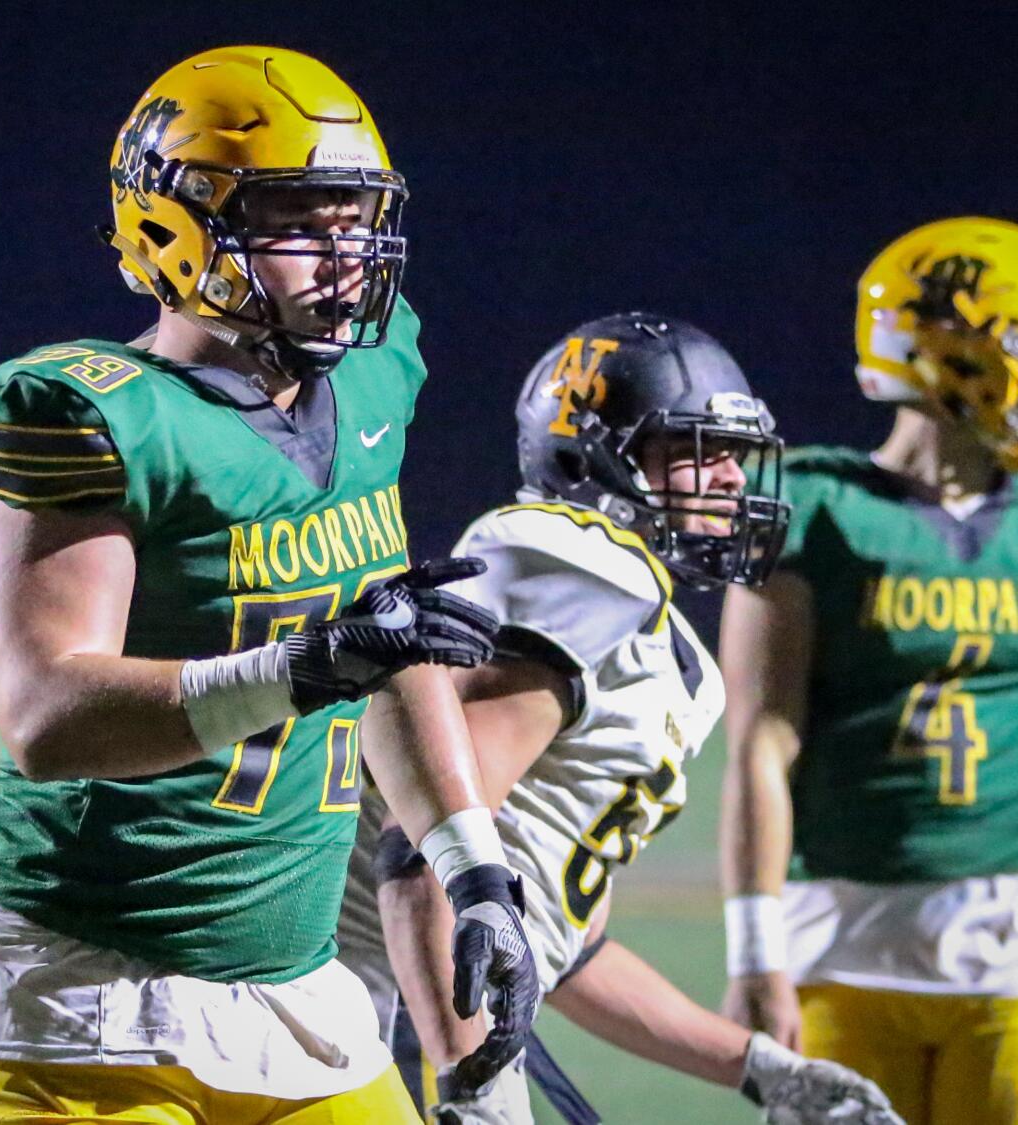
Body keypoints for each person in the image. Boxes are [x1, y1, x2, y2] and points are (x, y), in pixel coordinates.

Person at [0, 46, 539, 1124]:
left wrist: (473, 865)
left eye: (356, 218)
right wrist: (306, 665)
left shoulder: (373, 372)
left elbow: (386, 644)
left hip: (293, 989)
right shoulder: (82, 412)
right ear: (172, 231)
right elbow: (48, 716)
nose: (344, 256)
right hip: (77, 988)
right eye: (301, 219)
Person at [343, 313, 900, 1124]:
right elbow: (419, 842)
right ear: (591, 456)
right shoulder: (587, 566)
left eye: (732, 455)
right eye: (695, 451)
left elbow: (568, 947)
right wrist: (469, 1081)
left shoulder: (648, 626)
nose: (730, 480)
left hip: (432, 1005)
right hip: (382, 1015)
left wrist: (759, 1068)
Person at [718, 217, 1018, 1124]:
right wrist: (754, 950)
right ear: (954, 354)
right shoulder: (815, 509)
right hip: (837, 935)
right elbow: (763, 744)